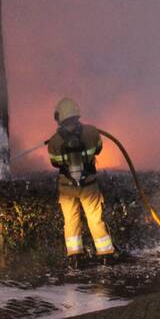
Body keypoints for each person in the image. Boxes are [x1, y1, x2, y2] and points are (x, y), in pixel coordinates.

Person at [47, 98, 115, 267]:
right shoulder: (92, 132)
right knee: (95, 218)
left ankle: (75, 257)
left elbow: (55, 163)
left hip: (67, 187)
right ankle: (105, 254)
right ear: (77, 113)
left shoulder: (54, 141)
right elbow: (98, 149)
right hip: (89, 184)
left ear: (59, 117)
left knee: (71, 220)